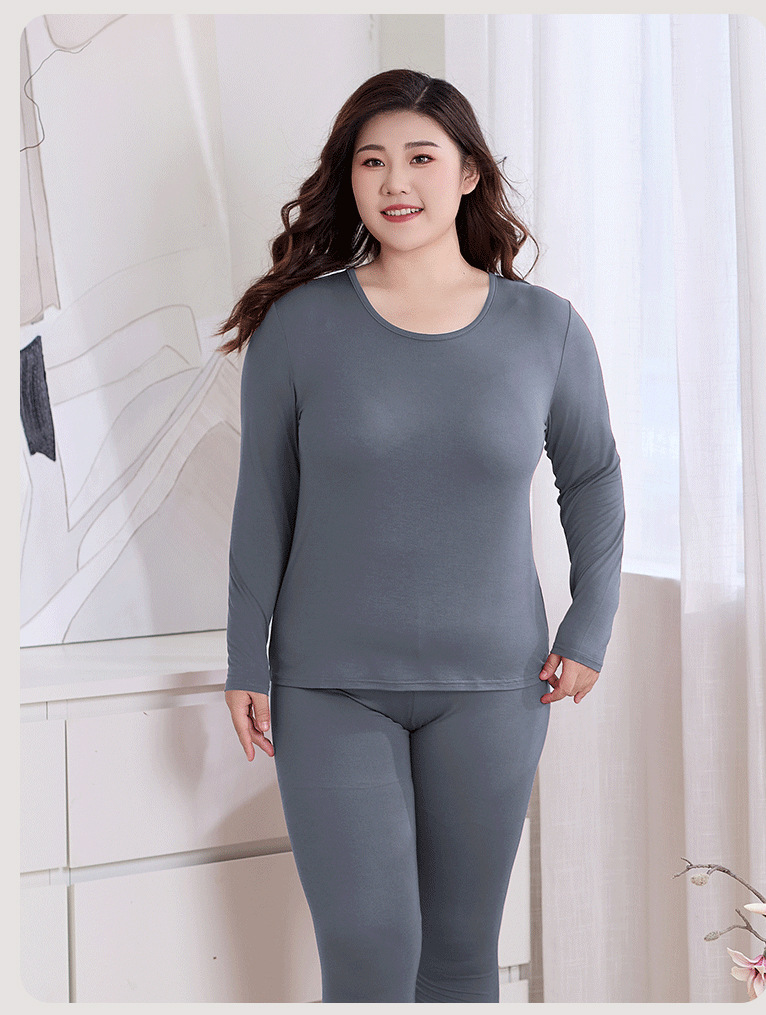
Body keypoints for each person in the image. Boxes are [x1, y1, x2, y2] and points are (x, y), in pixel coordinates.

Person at [215, 68, 625, 1003]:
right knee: (369, 948)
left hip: (496, 687)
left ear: (469, 172)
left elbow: (594, 476)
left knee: (459, 957)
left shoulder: (547, 328)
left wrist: (590, 623)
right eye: (372, 161)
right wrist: (246, 656)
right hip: (330, 686)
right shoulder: (298, 325)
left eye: (420, 158)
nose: (395, 182)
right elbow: (264, 499)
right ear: (349, 178)